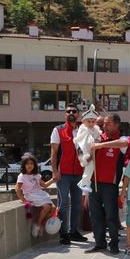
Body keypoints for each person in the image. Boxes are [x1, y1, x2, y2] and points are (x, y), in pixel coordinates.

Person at [85, 113, 129, 254]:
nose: (104, 126)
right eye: (104, 124)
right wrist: (87, 157)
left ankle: (114, 244)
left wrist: (101, 145)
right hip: (94, 182)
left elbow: (124, 144)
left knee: (111, 215)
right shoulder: (98, 137)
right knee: (95, 214)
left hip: (110, 184)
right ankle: (100, 243)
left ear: (116, 125)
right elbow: (88, 156)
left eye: (108, 123)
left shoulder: (121, 138)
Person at [50, 103, 87, 245]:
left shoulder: (82, 130)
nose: (71, 113)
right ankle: (64, 233)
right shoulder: (58, 130)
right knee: (63, 203)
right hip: (63, 174)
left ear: (78, 114)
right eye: (68, 111)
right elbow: (54, 152)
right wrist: (54, 171)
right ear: (65, 114)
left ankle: (74, 232)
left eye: (74, 111)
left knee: (77, 204)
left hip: (78, 173)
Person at [15, 154, 57, 237]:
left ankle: (40, 224)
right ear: (24, 165)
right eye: (27, 164)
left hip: (40, 194)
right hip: (30, 195)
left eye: (32, 163)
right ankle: (38, 225)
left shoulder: (36, 175)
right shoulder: (21, 176)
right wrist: (24, 200)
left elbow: (44, 185)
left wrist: (53, 180)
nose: (30, 165)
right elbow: (17, 189)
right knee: (47, 207)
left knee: (53, 208)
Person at [73, 104, 102, 193]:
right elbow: (80, 143)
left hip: (92, 152)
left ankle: (84, 183)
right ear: (84, 121)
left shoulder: (95, 129)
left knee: (91, 169)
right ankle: (83, 184)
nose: (91, 123)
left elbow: (98, 138)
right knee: (89, 168)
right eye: (89, 121)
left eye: (93, 121)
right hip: (85, 152)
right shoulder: (83, 130)